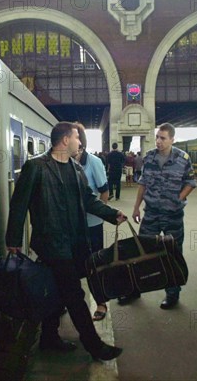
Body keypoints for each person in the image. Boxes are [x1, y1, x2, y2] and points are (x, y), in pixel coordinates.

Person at [5, 122, 125, 361]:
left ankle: (48, 338)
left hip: (75, 242)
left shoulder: (76, 169)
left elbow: (89, 200)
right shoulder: (36, 167)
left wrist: (112, 214)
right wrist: (13, 239)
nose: (80, 142)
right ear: (64, 140)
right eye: (77, 138)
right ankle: (95, 346)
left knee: (57, 292)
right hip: (52, 243)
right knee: (74, 295)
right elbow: (19, 204)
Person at [130, 122, 197, 309]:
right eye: (157, 137)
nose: (158, 141)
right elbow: (143, 183)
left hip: (173, 215)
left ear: (172, 139)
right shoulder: (149, 157)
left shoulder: (182, 158)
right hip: (151, 213)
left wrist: (178, 198)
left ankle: (172, 294)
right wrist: (136, 207)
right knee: (142, 251)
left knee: (172, 254)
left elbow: (191, 182)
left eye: (163, 138)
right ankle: (135, 289)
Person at [74, 123, 110, 321]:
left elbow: (104, 191)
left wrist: (101, 214)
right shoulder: (65, 162)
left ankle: (101, 303)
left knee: (95, 265)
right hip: (73, 225)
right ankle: (71, 302)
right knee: (74, 266)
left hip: (93, 224)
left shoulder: (94, 162)